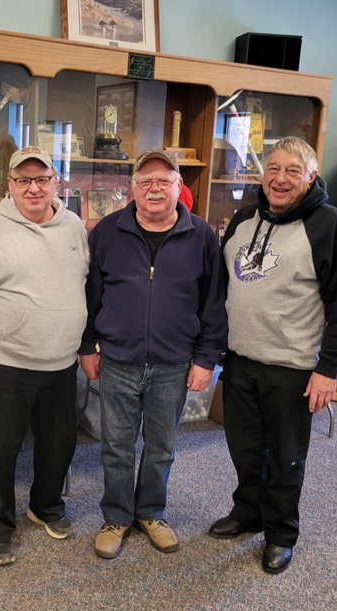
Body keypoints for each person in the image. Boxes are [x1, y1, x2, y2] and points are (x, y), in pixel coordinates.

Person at [210, 136, 337, 574]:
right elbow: (223, 286)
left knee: (285, 456)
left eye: (293, 171)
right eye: (273, 168)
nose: (280, 179)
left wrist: (328, 368)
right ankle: (248, 512)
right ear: (262, 174)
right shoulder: (242, 219)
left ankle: (280, 532)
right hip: (239, 361)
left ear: (311, 176)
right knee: (244, 447)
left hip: (293, 368)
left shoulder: (330, 225)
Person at [79, 149, 227, 560]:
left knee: (161, 446)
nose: (154, 188)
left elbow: (213, 304)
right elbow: (90, 297)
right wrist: (86, 346)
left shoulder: (201, 236)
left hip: (174, 364)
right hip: (117, 360)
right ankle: (116, 516)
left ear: (180, 187)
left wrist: (205, 359)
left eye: (164, 181)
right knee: (116, 445)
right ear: (132, 189)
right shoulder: (107, 231)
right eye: (145, 181)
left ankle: (151, 512)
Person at [0, 146, 89, 566]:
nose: (33, 188)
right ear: (9, 184)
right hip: (6, 364)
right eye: (23, 180)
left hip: (62, 363)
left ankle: (45, 507)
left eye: (42, 179)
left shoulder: (74, 226)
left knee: (59, 446)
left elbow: (83, 283)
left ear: (56, 182)